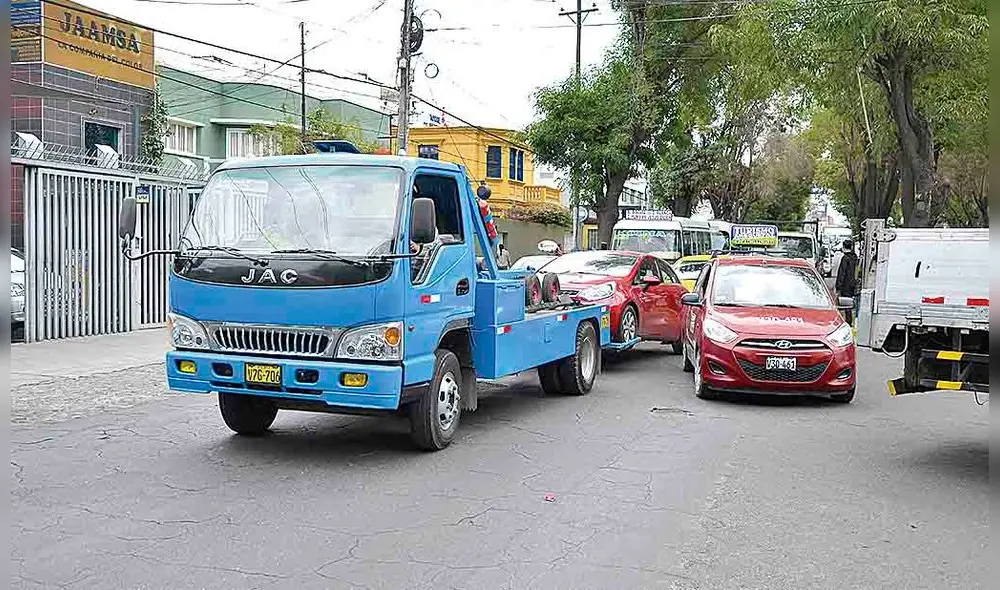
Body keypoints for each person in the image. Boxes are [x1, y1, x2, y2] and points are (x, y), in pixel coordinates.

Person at [835, 238, 859, 325]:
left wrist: (838, 286)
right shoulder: (855, 257)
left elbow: (842, 273)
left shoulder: (845, 258)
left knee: (844, 303)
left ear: (843, 247)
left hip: (845, 285)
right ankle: (851, 321)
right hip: (853, 284)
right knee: (851, 303)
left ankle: (847, 321)